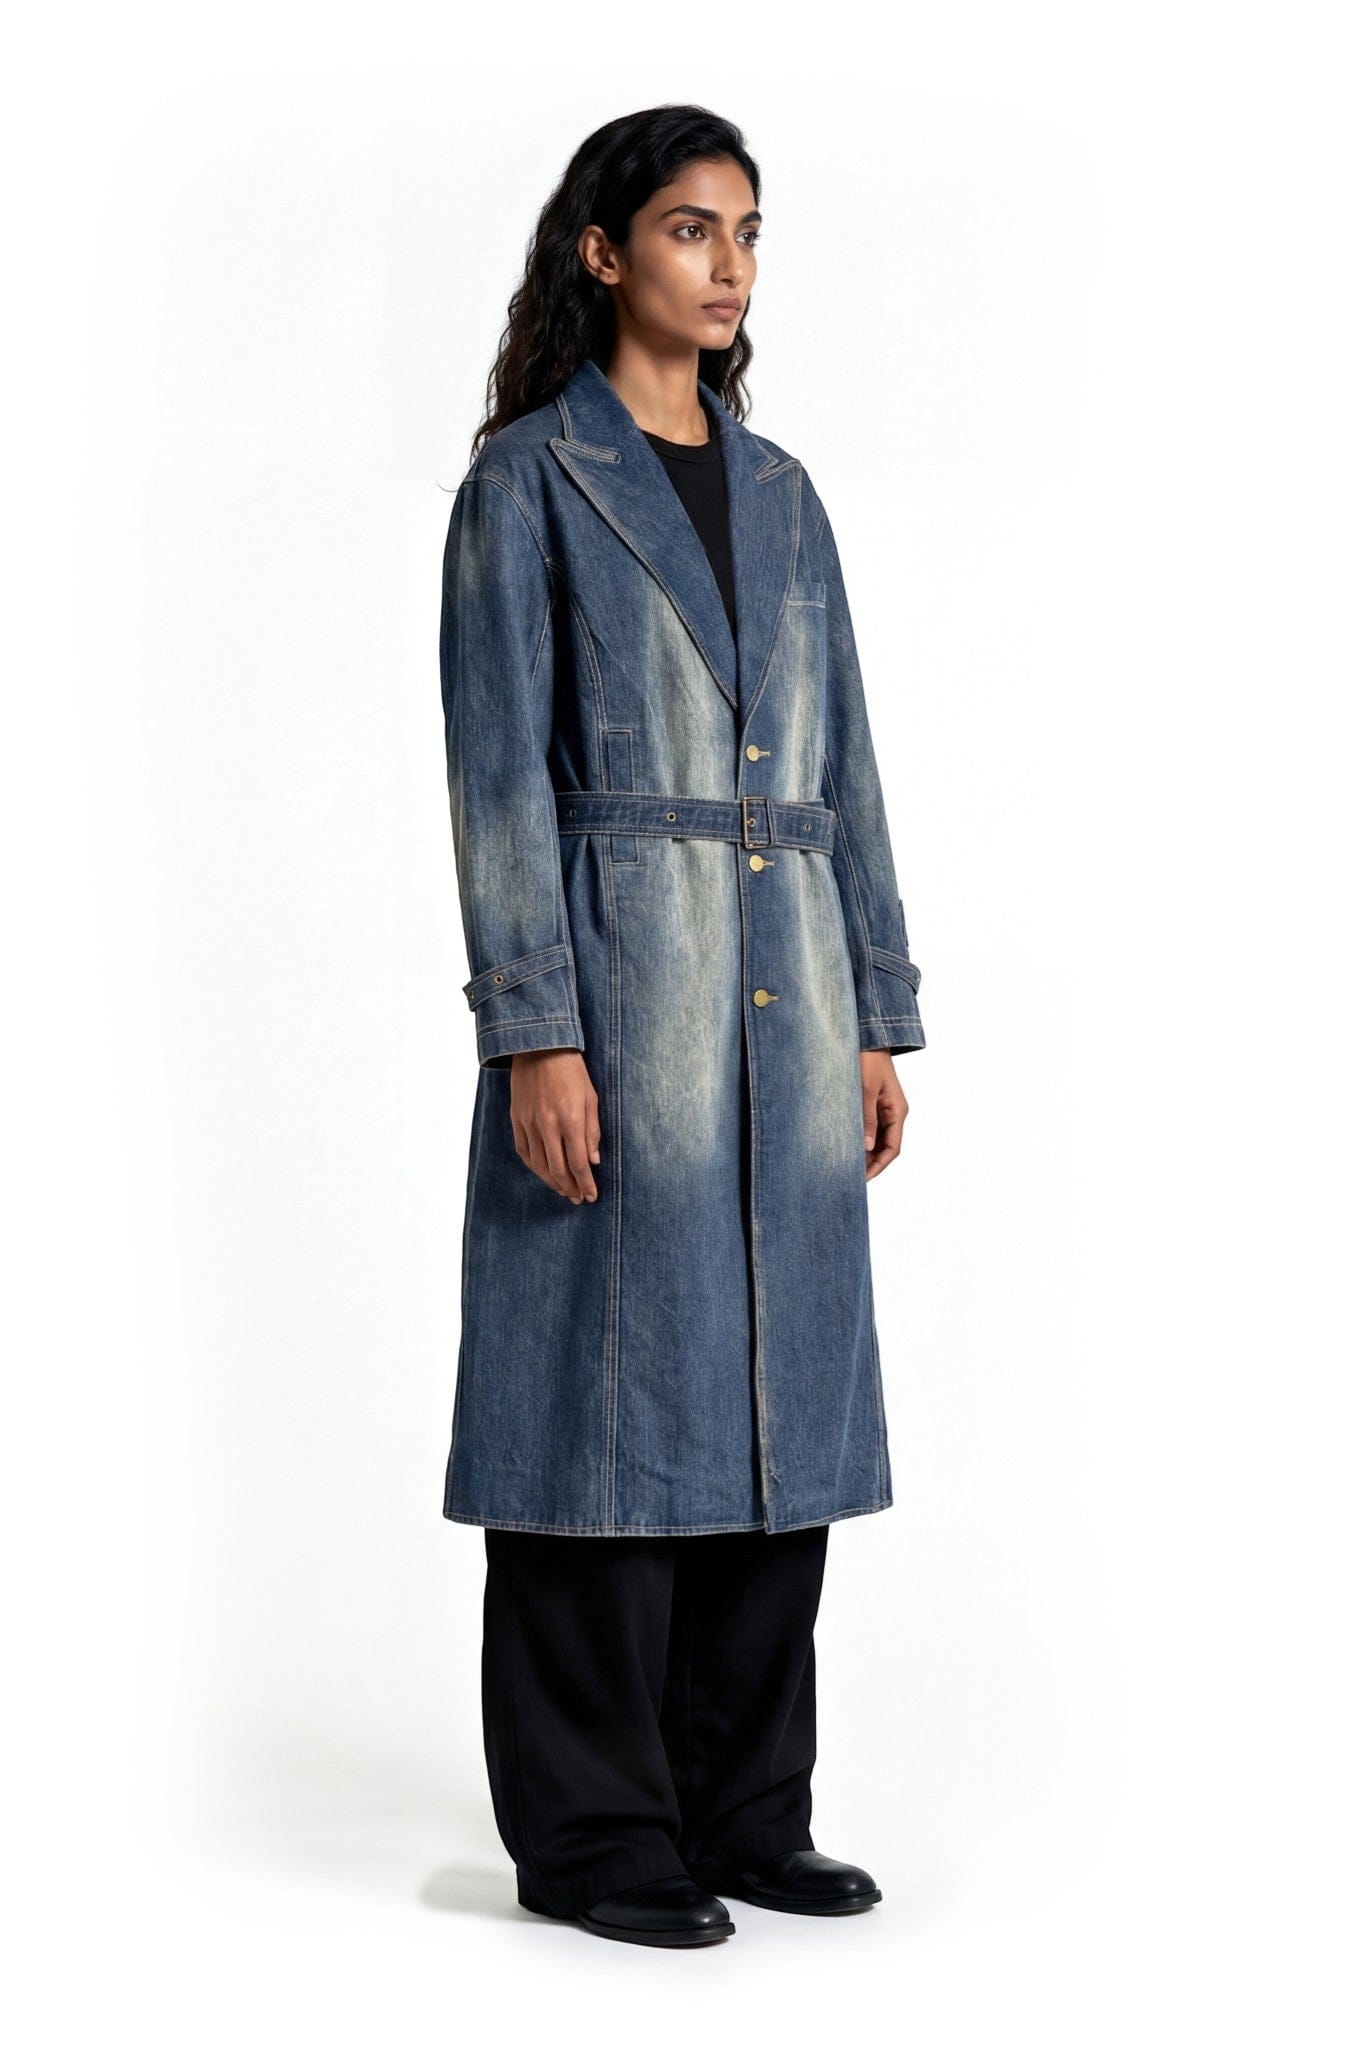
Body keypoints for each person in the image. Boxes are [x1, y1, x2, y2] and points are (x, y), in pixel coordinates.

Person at [437, 105, 926, 1948]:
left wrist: (875, 1010)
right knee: (602, 1399)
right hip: (621, 985)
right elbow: (499, 776)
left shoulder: (783, 493)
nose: (727, 265)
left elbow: (843, 760)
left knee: (776, 1398)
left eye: (746, 232)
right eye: (688, 229)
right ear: (603, 252)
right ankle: (592, 1836)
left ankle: (744, 1810)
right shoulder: (529, 483)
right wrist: (532, 1031)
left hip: (790, 993)